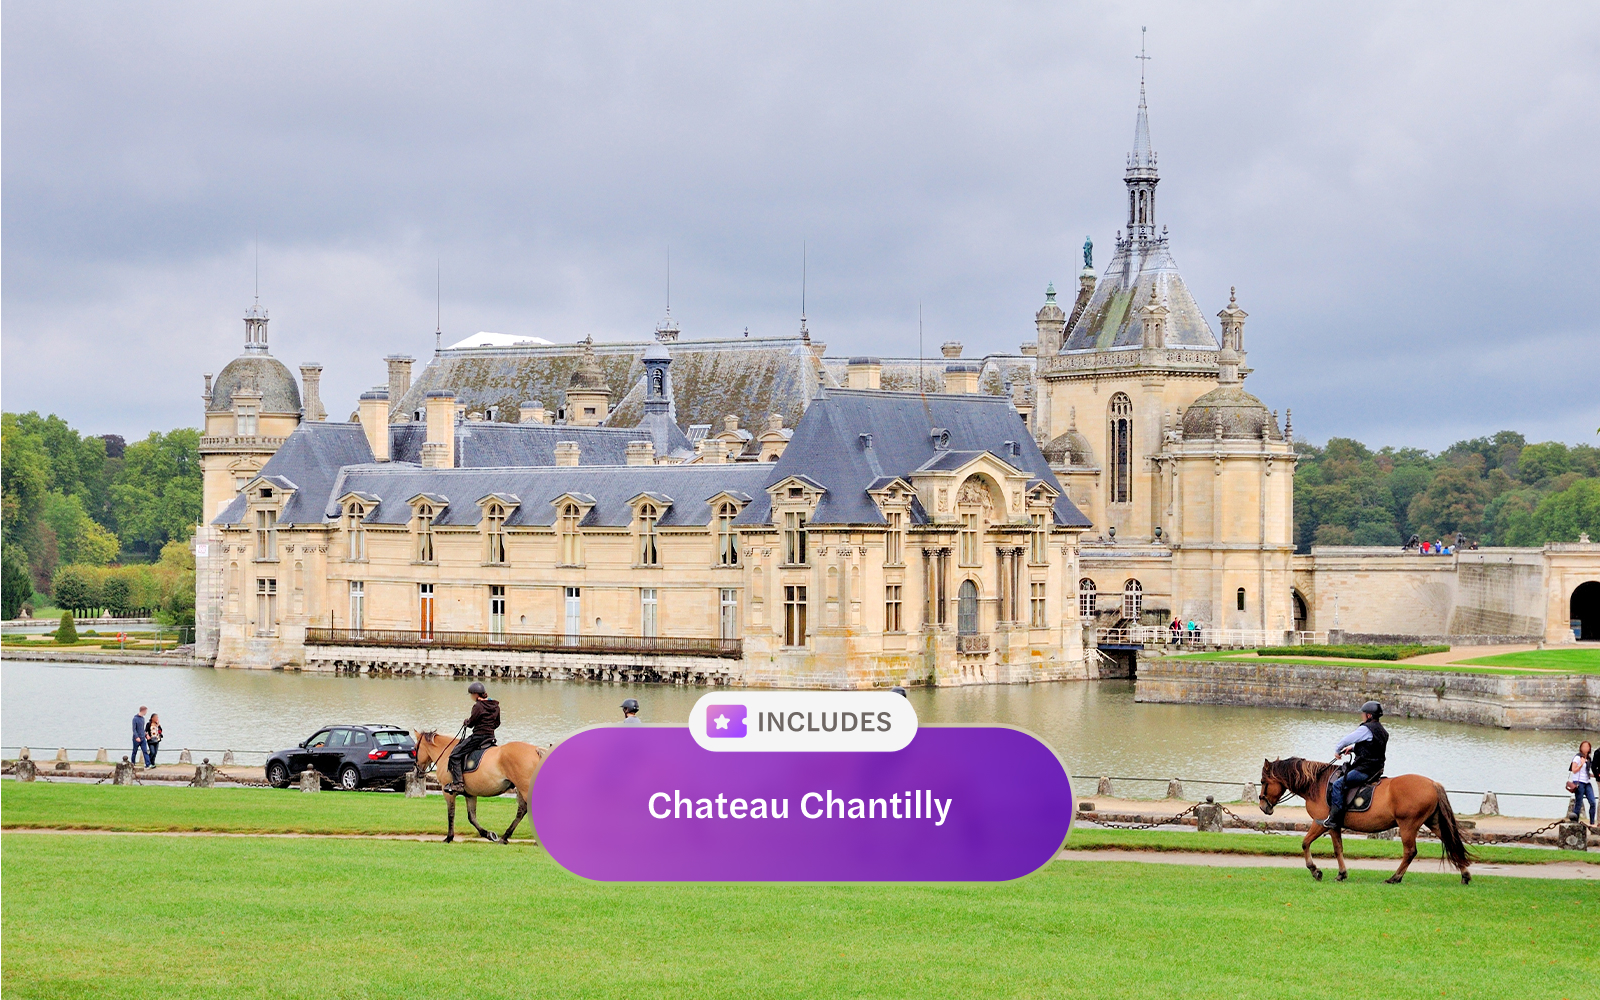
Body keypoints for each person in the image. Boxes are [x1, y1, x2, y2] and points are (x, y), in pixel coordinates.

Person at [1321, 701, 1388, 829]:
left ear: (1369, 716)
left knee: (1338, 784)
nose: (1362, 716)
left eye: (1363, 714)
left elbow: (1347, 739)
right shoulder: (1382, 731)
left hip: (1364, 769)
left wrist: (1337, 749)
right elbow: (1372, 747)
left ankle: (1335, 819)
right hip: (1376, 769)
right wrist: (1352, 749)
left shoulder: (1366, 728)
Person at [443, 682, 500, 795]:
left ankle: (458, 784)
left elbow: (472, 723)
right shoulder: (495, 706)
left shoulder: (478, 706)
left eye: (471, 695)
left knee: (455, 754)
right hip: (490, 737)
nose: (471, 697)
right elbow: (497, 723)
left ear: (475, 694)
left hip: (478, 737)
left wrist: (466, 722)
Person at [1570, 741, 1596, 824]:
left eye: (1587, 747)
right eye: (1583, 746)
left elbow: (1587, 772)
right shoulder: (1577, 757)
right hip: (1579, 782)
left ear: (1589, 749)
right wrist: (1581, 764)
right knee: (1579, 802)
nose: (1585, 748)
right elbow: (1574, 770)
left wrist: (1595, 775)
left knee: (1593, 802)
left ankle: (1592, 822)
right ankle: (1575, 822)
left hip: (1587, 782)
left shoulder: (1589, 758)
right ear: (1580, 748)